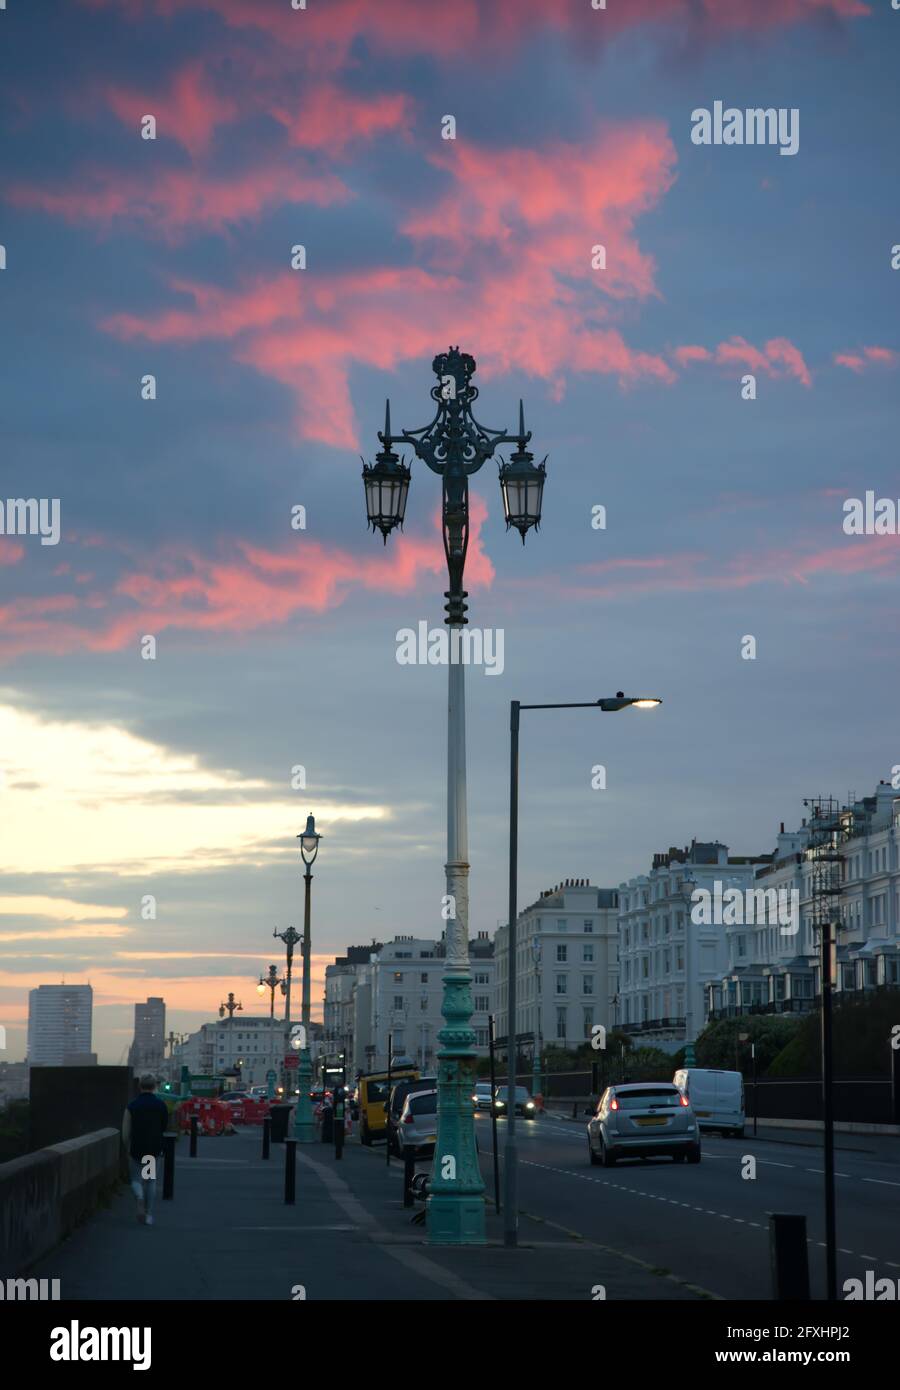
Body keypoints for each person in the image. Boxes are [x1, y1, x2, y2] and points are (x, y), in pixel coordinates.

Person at [122, 1074, 169, 1226]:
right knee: (150, 1181)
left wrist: (127, 1147)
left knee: (136, 1180)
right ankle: (148, 1214)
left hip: (137, 1148)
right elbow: (163, 1127)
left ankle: (139, 1196)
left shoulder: (132, 1106)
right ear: (155, 1086)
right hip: (153, 1149)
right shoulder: (161, 1105)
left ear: (139, 1086)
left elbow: (125, 1132)